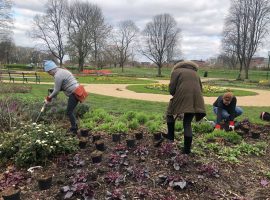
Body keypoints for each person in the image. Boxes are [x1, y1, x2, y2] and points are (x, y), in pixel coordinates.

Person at [165, 60, 206, 154]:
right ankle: (187, 150)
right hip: (196, 100)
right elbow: (201, 88)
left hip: (182, 96)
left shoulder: (176, 71)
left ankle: (170, 139)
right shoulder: (195, 73)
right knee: (187, 123)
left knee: (169, 113)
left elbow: (172, 90)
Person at [44, 60, 87, 135]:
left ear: (52, 69)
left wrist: (48, 98)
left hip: (74, 93)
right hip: (77, 90)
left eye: (49, 72)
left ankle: (74, 130)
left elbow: (57, 90)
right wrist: (52, 94)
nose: (49, 74)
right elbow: (63, 86)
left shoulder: (58, 75)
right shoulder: (62, 71)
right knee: (70, 111)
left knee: (69, 112)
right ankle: (74, 127)